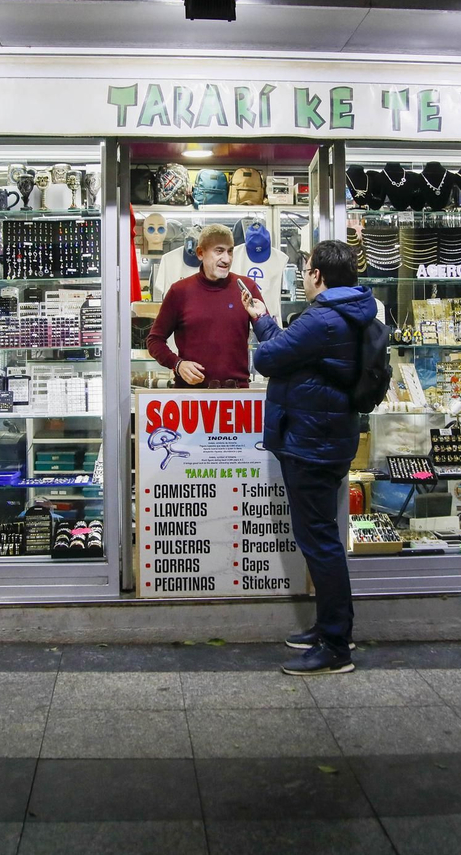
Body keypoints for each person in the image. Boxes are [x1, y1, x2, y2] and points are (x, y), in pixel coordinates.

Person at [243, 239, 377, 675]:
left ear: (318, 275)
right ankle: (327, 627)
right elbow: (290, 350)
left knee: (320, 542)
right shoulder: (351, 310)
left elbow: (268, 358)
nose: (303, 276)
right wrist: (262, 318)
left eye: (305, 270)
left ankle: (336, 646)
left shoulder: (323, 319)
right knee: (321, 539)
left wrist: (265, 335)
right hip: (327, 438)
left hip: (312, 444)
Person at [146, 223, 264, 388]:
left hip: (236, 396)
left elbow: (268, 336)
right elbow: (154, 340)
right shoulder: (180, 291)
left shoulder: (246, 288)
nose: (227, 259)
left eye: (230, 251)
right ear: (200, 253)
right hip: (192, 396)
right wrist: (178, 364)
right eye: (219, 251)